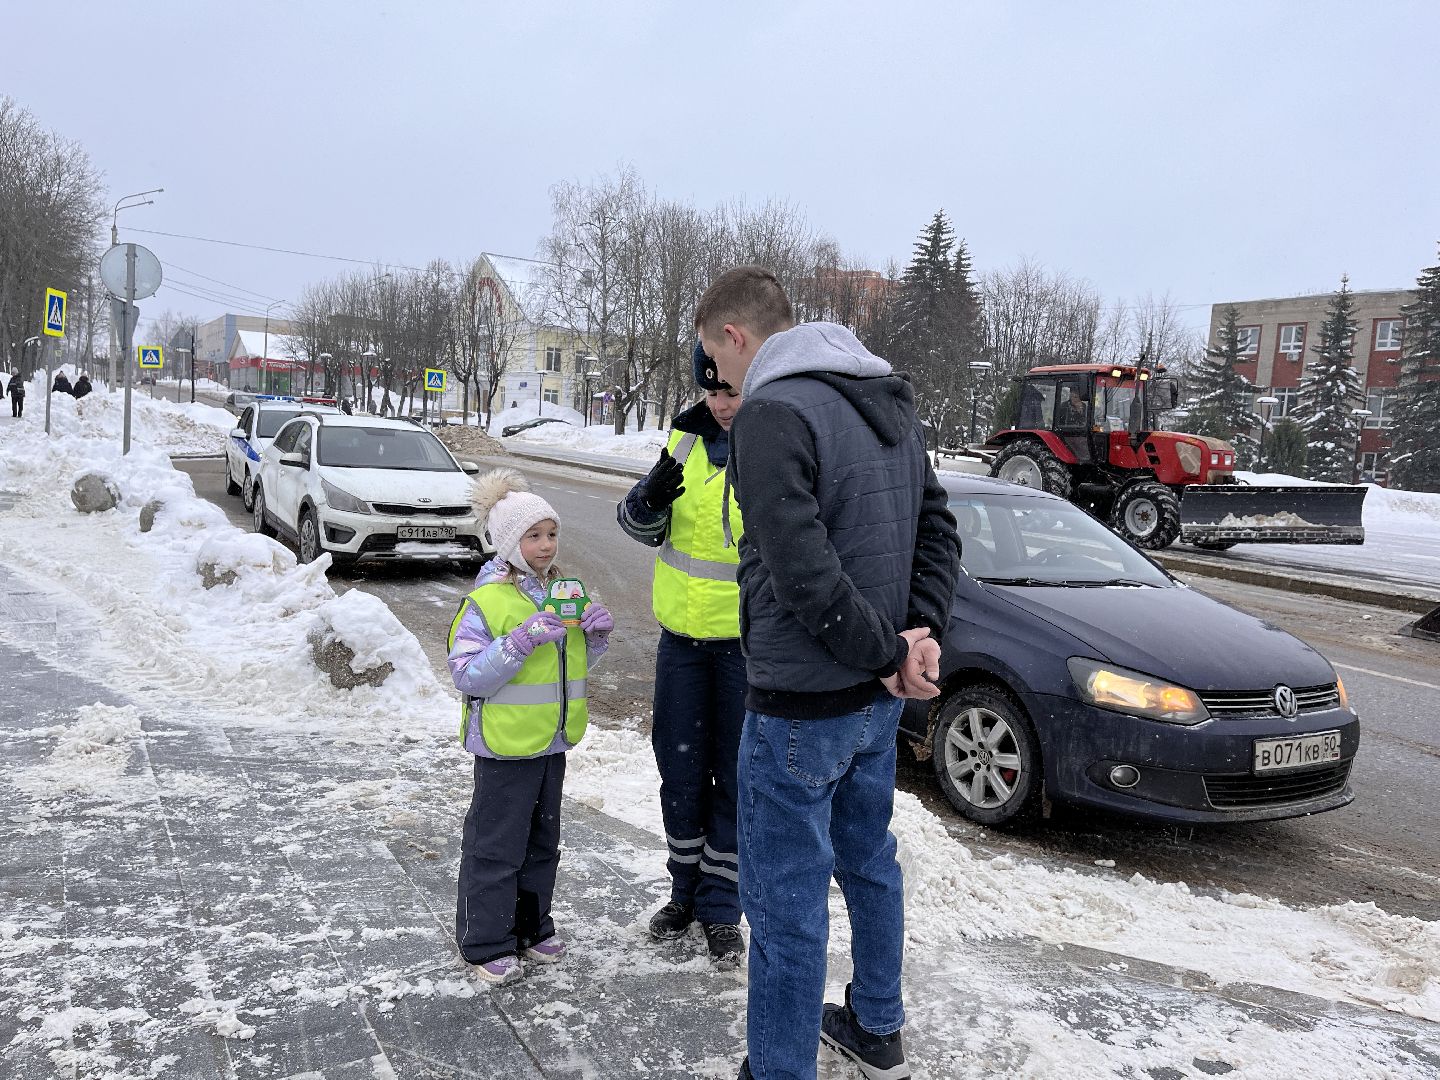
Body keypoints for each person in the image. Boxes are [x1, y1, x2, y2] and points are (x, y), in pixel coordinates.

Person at [696, 266, 959, 1080]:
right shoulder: (884, 400)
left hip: (801, 709)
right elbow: (939, 531)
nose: (719, 380)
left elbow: (802, 571)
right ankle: (877, 1025)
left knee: (783, 908)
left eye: (715, 360)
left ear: (735, 336)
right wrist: (918, 639)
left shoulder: (773, 411)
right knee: (868, 859)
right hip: (874, 704)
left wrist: (893, 650)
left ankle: (778, 1069)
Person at [446, 467, 615, 985]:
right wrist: (517, 642)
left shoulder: (561, 592)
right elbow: (468, 675)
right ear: (507, 543)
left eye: (551, 534)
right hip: (503, 748)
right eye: (533, 536)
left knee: (543, 842)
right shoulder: (486, 602)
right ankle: (484, 941)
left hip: (550, 742)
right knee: (495, 846)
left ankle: (532, 928)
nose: (546, 545)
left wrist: (596, 634)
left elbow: (570, 667)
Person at [617, 341, 746, 966]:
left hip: (745, 650)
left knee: (736, 779)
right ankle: (684, 891)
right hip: (681, 646)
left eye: (732, 392)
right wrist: (646, 504)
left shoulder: (772, 445)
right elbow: (643, 528)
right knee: (681, 771)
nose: (722, 404)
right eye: (713, 391)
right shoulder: (686, 441)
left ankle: (724, 905)